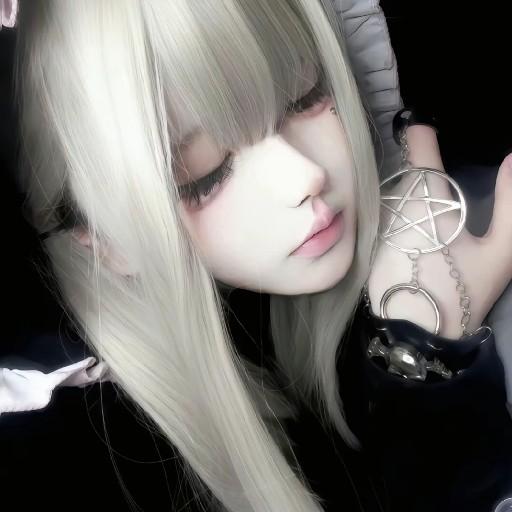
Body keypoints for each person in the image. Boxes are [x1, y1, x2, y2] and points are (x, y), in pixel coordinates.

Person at [2, 1, 512, 511]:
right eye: (205, 176)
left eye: (305, 95)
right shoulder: (64, 460)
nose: (304, 176)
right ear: (106, 241)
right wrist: (423, 359)